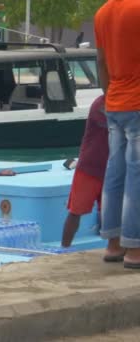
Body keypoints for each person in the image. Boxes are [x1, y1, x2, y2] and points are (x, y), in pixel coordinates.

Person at [94, 1, 140, 268]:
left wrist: (109, 95)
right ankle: (135, 248)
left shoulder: (103, 12)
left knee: (115, 171)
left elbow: (101, 60)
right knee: (137, 175)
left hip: (115, 102)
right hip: (137, 102)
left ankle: (113, 244)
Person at [61, 95, 107, 248]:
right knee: (75, 212)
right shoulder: (99, 104)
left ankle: (115, 248)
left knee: (111, 213)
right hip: (89, 169)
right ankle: (64, 248)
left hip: (111, 169)